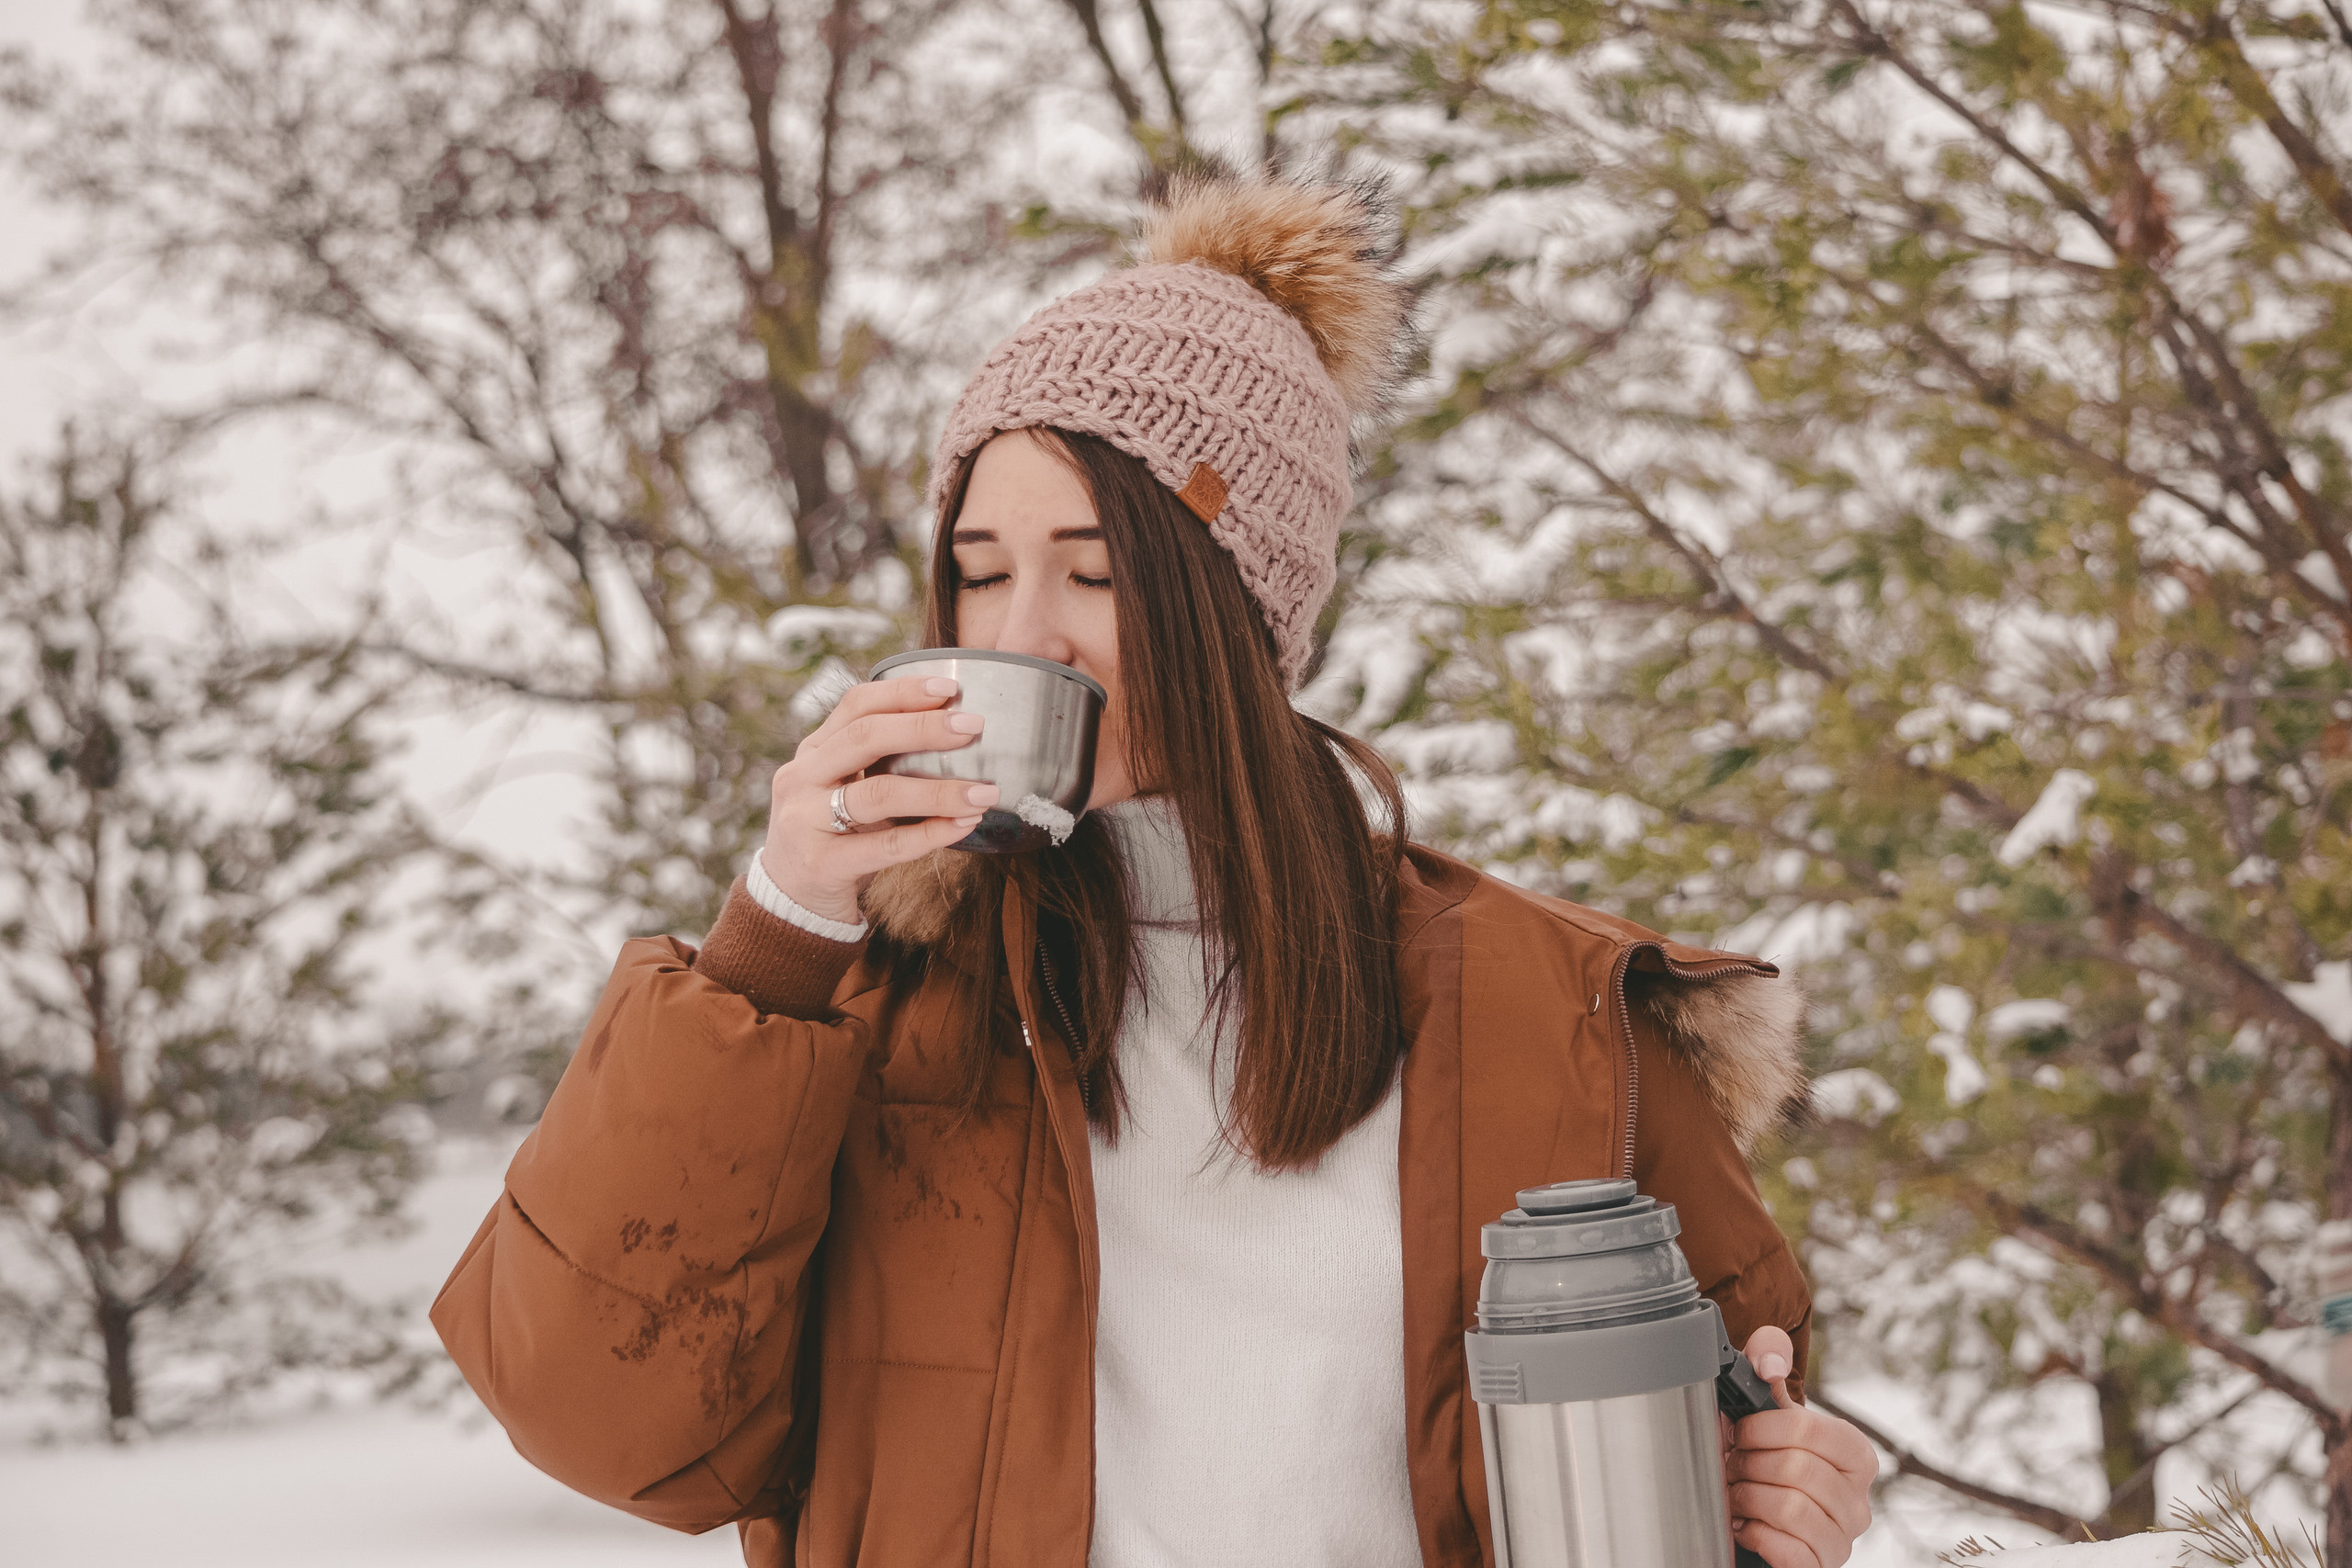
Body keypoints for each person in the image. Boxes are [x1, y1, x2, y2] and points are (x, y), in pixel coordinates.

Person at [433, 168, 1876, 1568]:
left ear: (1241, 605)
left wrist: (1787, 1496)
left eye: (1098, 572)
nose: (1023, 636)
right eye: (983, 570)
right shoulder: (864, 1009)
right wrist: (776, 929)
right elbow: (600, 1419)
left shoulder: (1558, 1018)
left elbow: (1727, 1443)